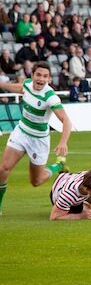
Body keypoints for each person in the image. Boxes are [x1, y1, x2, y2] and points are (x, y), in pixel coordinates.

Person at [0, 61, 72, 215]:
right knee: (3, 169)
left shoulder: (50, 96)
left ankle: (58, 166)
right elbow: (18, 87)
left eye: (45, 76)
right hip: (21, 132)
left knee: (36, 181)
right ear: (32, 75)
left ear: (49, 79)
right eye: (38, 75)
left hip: (38, 140)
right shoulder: (27, 84)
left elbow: (66, 120)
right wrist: (2, 84)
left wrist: (63, 142)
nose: (41, 79)